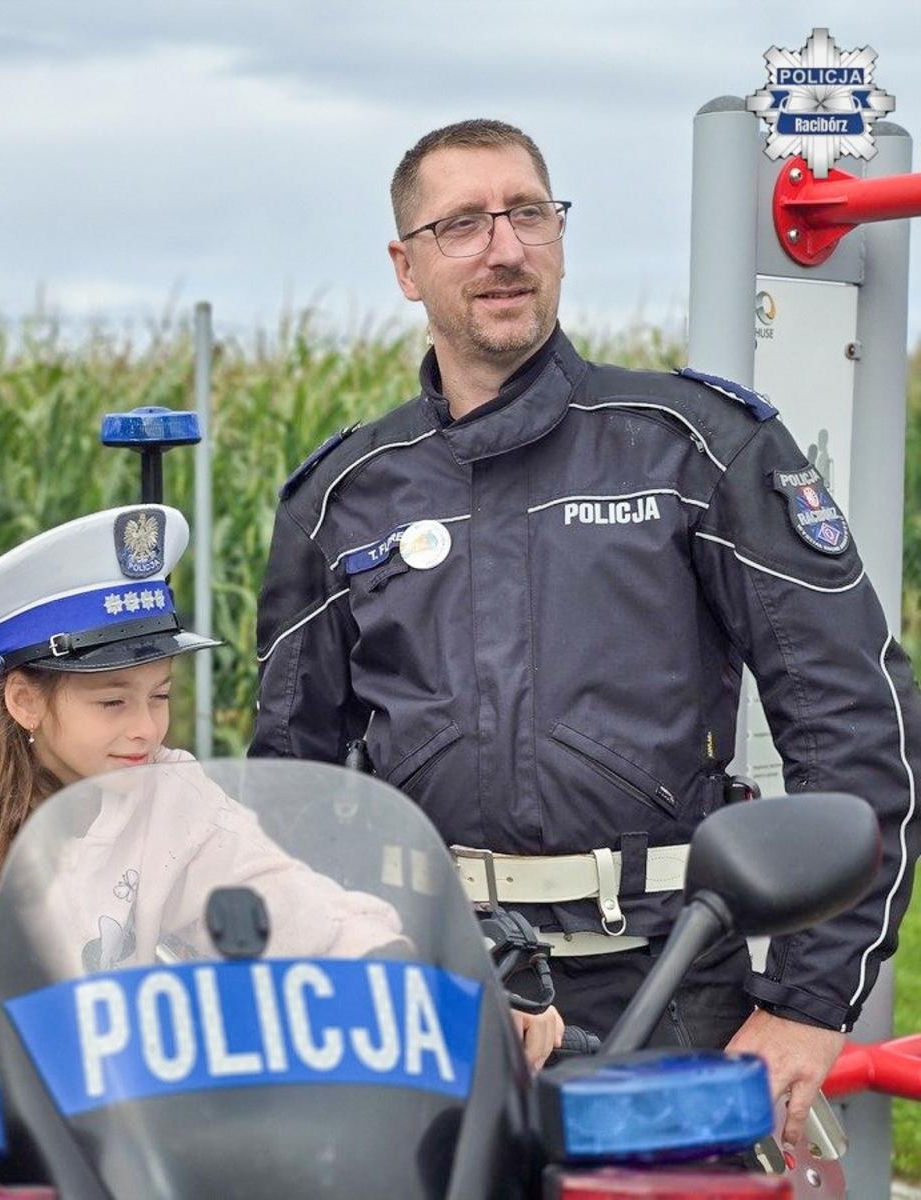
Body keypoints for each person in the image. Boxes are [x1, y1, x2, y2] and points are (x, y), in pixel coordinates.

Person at [249, 117, 921, 1146]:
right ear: (406, 265)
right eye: (463, 224)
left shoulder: (697, 447)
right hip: (435, 994)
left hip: (665, 990)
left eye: (528, 213)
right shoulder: (342, 498)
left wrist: (805, 1006)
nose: (505, 247)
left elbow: (856, 725)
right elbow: (294, 784)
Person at [0, 504, 560, 1122]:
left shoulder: (171, 794)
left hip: (115, 1122)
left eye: (160, 695)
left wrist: (458, 987)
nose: (145, 730)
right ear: (23, 701)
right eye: (111, 703)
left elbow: (298, 905)